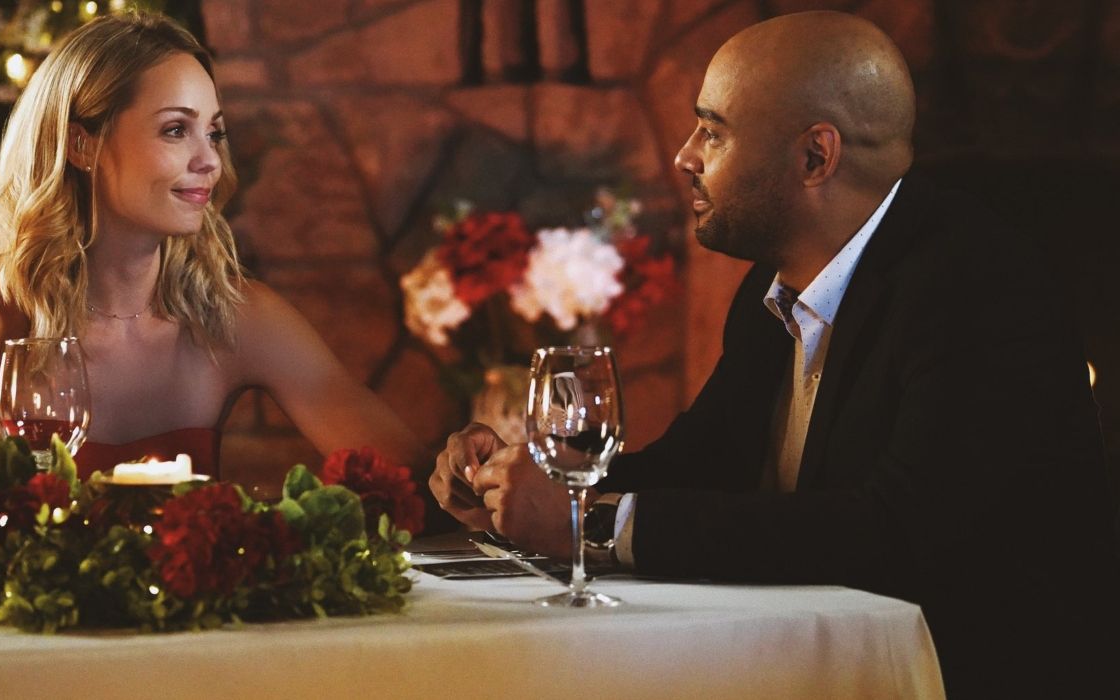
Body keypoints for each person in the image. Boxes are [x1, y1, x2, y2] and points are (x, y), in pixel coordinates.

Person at [431, 11, 1119, 697]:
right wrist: (529, 490)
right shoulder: (777, 283)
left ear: (816, 157)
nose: (685, 155)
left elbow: (899, 531)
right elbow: (699, 468)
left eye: (713, 130)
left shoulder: (976, 286)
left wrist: (592, 521)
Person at [0, 13, 420, 551]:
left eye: (213, 131)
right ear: (81, 145)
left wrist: (474, 472)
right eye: (175, 130)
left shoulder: (240, 317)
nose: (209, 161)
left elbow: (412, 481)